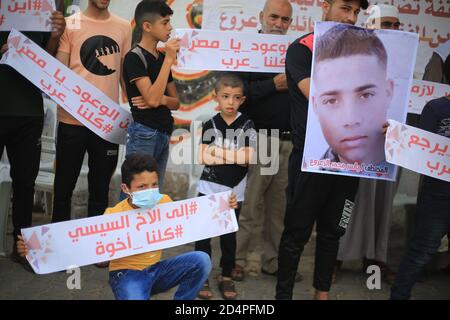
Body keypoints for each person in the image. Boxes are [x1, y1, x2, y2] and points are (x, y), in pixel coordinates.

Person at [17, 153, 229, 300]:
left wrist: (224, 207)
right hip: (126, 275)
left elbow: (193, 219)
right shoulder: (113, 216)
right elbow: (81, 245)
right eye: (142, 186)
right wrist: (34, 250)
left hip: (156, 270)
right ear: (126, 188)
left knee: (201, 260)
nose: (151, 190)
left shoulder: (164, 202)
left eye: (154, 184)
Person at [276, 0, 369, 300]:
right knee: (296, 233)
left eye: (356, 12)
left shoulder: (364, 53)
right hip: (311, 161)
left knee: (334, 231)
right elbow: (318, 95)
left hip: (350, 163)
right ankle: (283, 296)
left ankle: (322, 294)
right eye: (345, 8)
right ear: (325, 7)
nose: (351, 17)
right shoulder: (302, 49)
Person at [234, 0, 302, 282]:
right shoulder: (246, 49)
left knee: (280, 210)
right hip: (257, 139)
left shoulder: (295, 53)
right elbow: (236, 95)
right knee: (250, 206)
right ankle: (236, 261)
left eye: (285, 20)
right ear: (261, 17)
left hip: (288, 142)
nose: (279, 24)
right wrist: (272, 85)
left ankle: (272, 261)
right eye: (274, 17)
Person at [333, 4, 400, 284]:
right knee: (348, 201)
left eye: (395, 25)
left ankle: (375, 259)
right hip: (354, 141)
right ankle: (334, 257)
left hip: (390, 143)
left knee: (382, 203)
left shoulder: (407, 58)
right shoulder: (350, 53)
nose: (391, 30)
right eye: (385, 23)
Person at [51, 0, 132, 228]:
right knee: (63, 187)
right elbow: (59, 70)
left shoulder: (124, 26)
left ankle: (95, 245)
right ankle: (59, 243)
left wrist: (139, 108)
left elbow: (125, 76)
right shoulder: (71, 24)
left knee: (100, 189)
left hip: (107, 123)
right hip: (71, 120)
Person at [0, 1, 66, 271]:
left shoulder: (38, 10)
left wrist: (53, 36)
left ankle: (22, 247)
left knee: (25, 182)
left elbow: (46, 59)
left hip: (29, 111)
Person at [195, 73, 256, 300]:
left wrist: (216, 152)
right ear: (216, 98)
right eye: (226, 96)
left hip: (233, 190)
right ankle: (201, 274)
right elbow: (202, 157)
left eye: (236, 97)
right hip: (208, 187)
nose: (230, 102)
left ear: (242, 100)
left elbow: (247, 159)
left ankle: (226, 275)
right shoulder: (210, 123)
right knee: (204, 234)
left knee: (228, 234)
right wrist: (234, 155)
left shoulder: (247, 124)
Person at [390, 94, 450, 299]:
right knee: (420, 252)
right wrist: (395, 136)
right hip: (438, 196)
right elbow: (418, 149)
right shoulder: (436, 108)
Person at [312, 26, 393, 167]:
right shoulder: (315, 176)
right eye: (331, 101)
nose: (351, 119)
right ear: (315, 106)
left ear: (388, 93)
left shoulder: (407, 161)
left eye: (366, 95)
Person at [122, 0, 180, 189]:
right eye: (164, 23)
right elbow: (152, 99)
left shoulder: (162, 58)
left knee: (153, 194)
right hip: (144, 134)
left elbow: (176, 102)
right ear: (147, 26)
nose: (170, 28)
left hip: (163, 133)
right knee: (135, 195)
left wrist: (161, 100)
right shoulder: (134, 57)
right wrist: (170, 58)